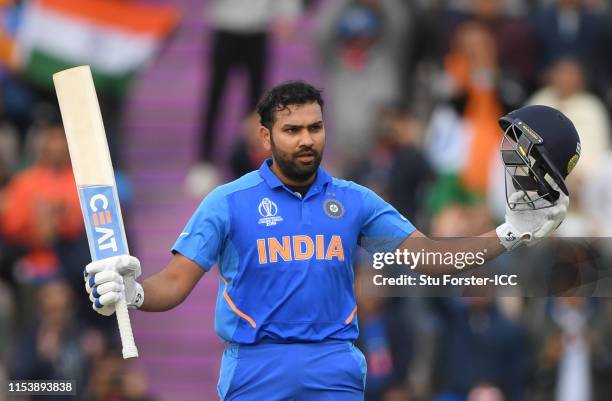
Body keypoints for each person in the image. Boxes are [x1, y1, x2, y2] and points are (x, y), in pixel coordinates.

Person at [83, 82, 573, 400]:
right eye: (292, 129)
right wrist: (135, 293)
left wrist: (512, 232)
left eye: (315, 128)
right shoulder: (227, 202)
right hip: (256, 369)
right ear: (265, 135)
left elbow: (433, 258)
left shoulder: (354, 200)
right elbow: (174, 281)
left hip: (333, 369)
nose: (306, 139)